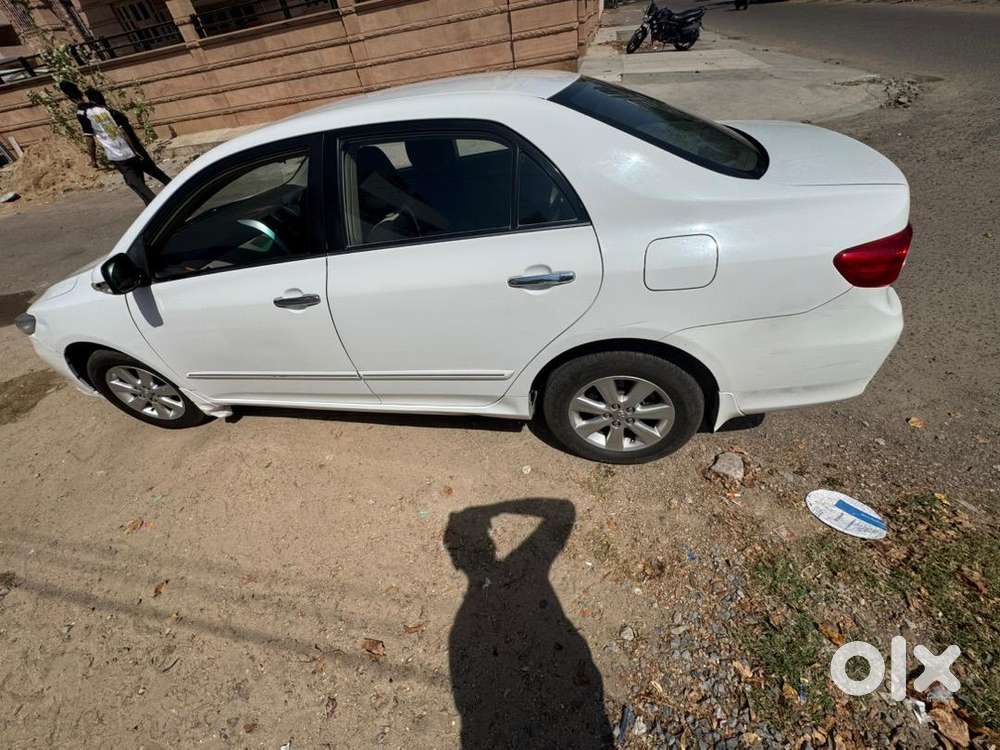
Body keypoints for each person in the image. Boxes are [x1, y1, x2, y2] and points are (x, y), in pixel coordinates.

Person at [59, 80, 170, 205]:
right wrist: (135, 149)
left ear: (68, 97)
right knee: (152, 174)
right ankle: (171, 195)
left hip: (117, 153)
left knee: (135, 182)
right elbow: (123, 129)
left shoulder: (82, 113)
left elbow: (89, 139)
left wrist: (93, 159)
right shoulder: (102, 108)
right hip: (131, 148)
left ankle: (156, 206)